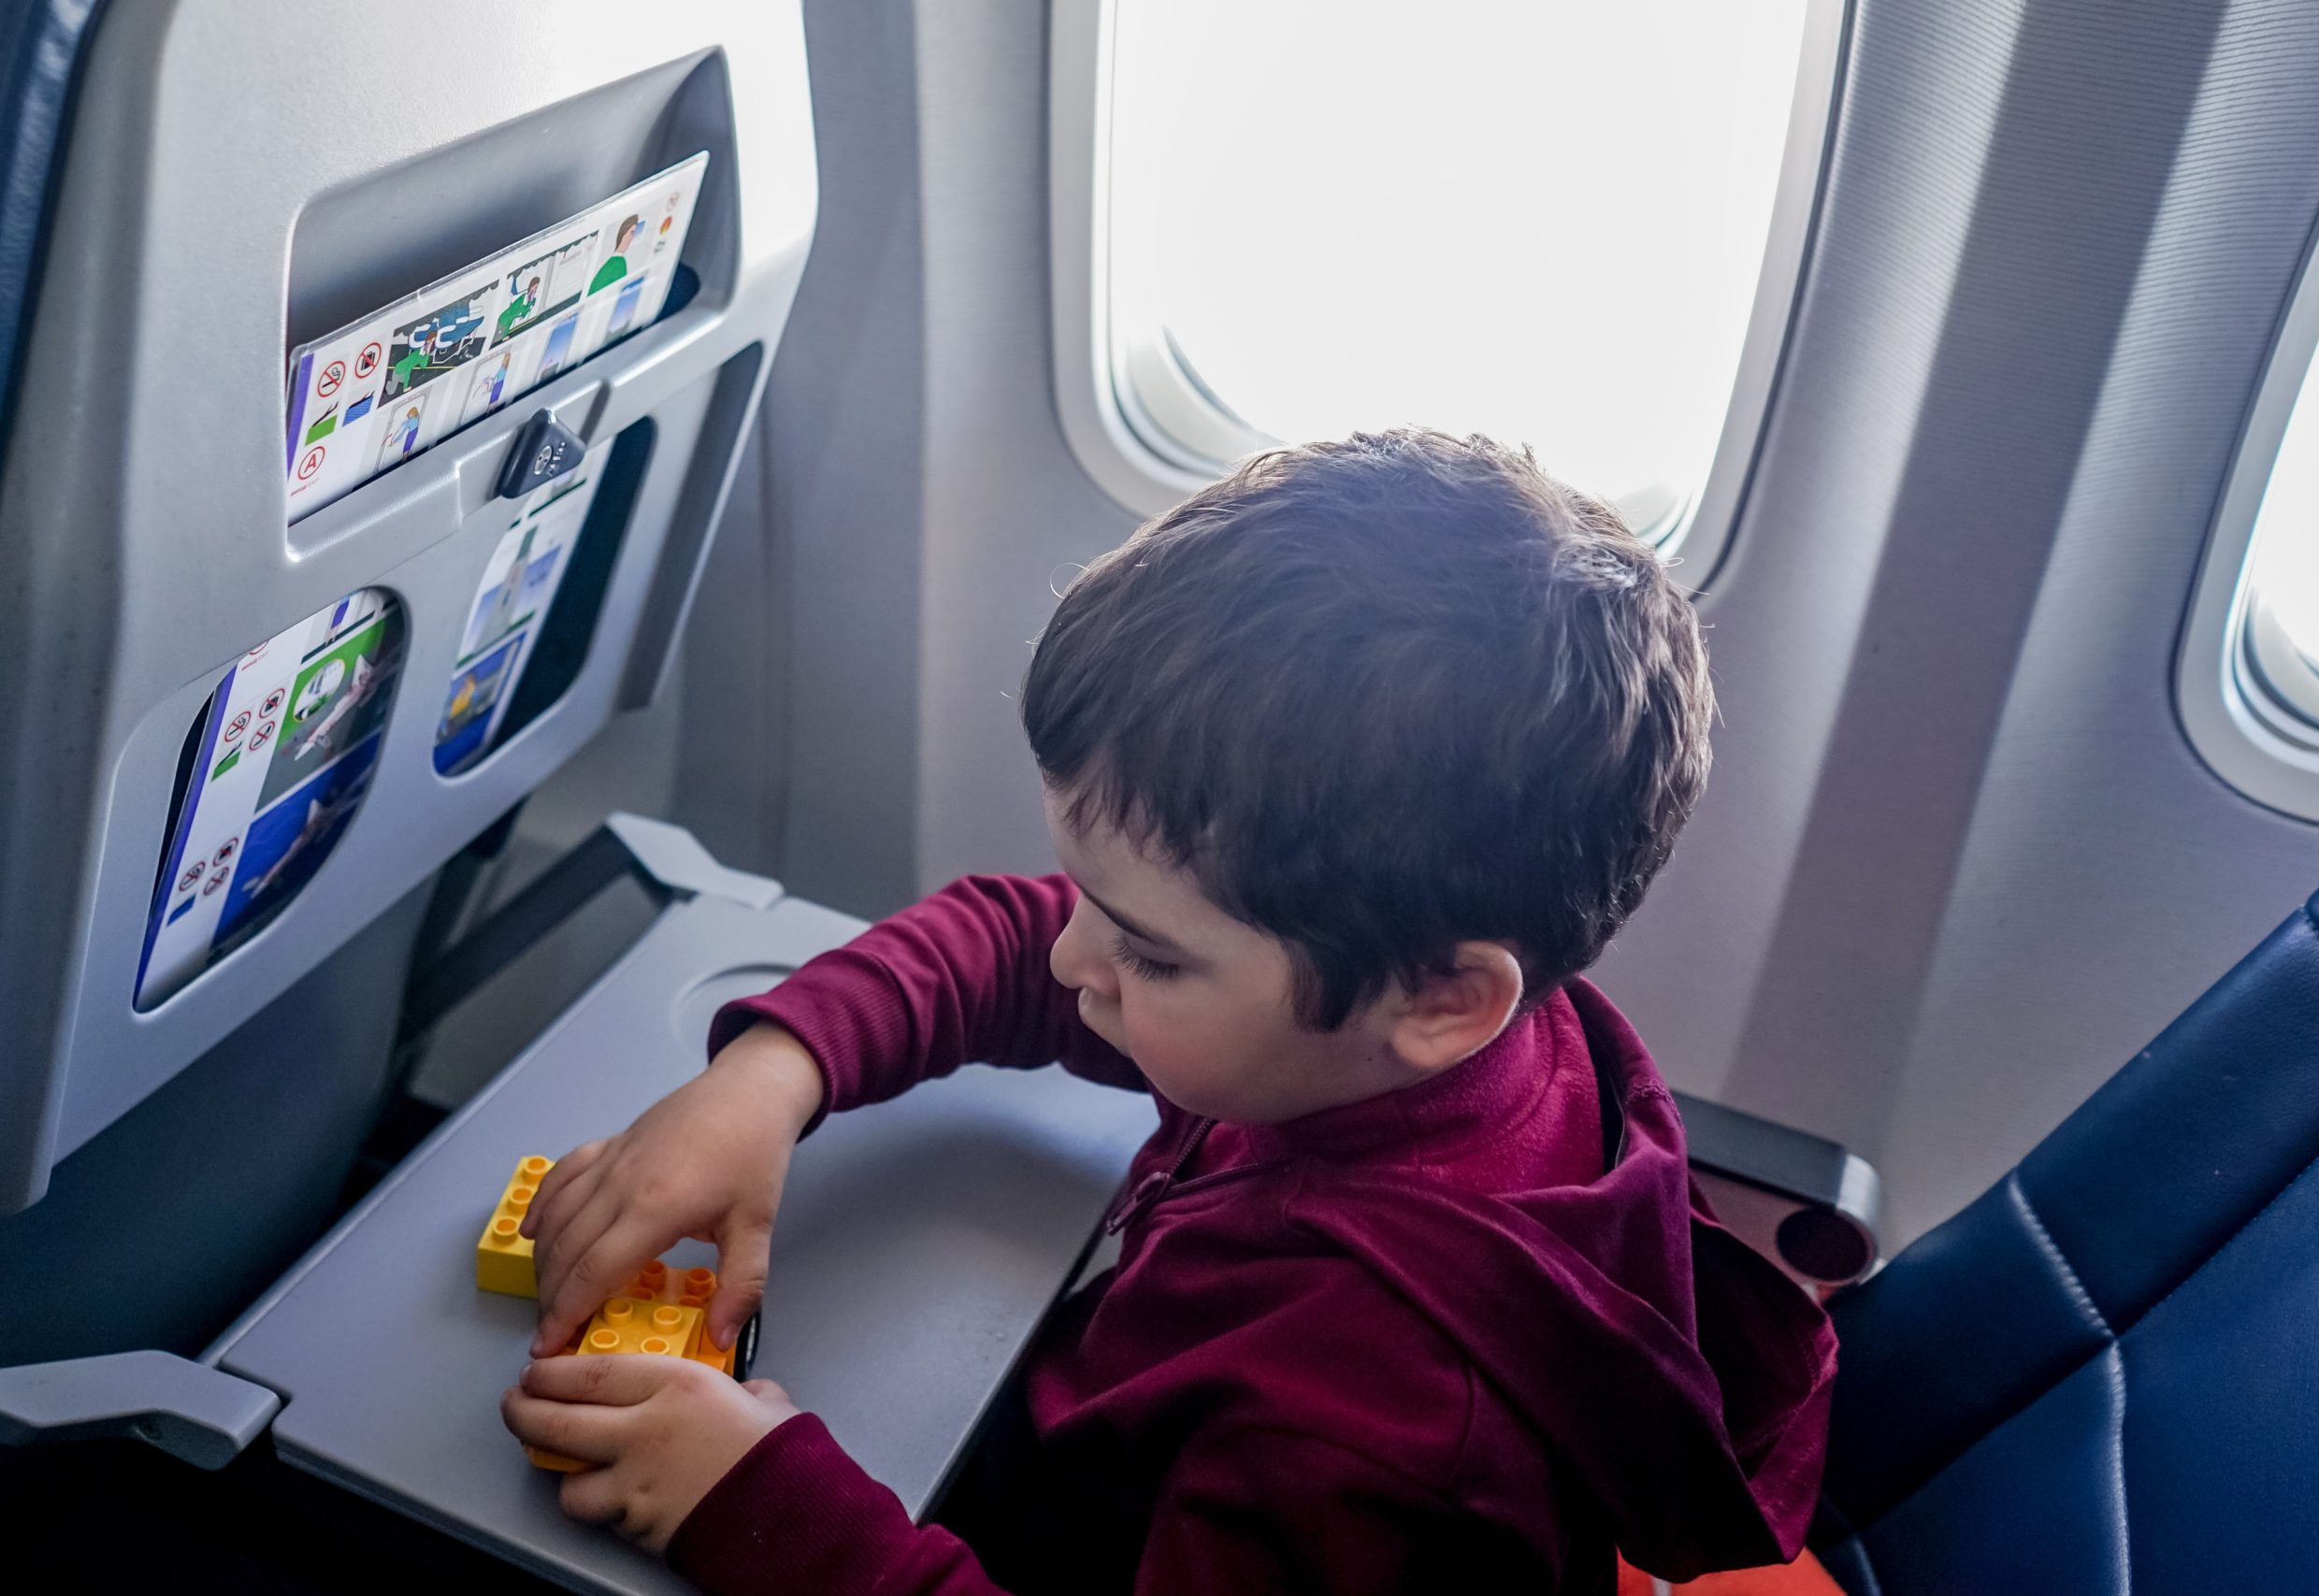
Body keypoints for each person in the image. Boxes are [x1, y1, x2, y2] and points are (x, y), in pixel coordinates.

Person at [500, 430, 1837, 1593]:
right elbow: (1021, 940)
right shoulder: (1408, 1046)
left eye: (1148, 953)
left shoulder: (1370, 1438)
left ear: (1441, 998)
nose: (1077, 958)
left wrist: (760, 1507)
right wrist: (767, 1080)